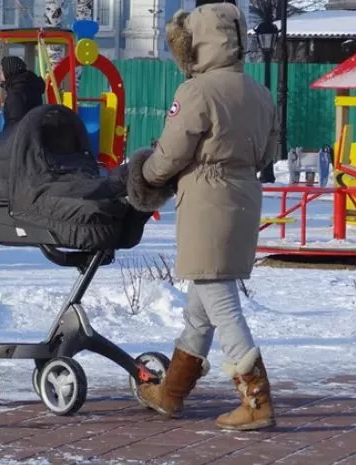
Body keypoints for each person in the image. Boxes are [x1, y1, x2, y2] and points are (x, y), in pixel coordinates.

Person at [126, 3, 278, 431]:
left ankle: (256, 398)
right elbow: (269, 150)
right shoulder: (259, 91)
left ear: (195, 44)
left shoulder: (196, 92)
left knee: (220, 299)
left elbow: (172, 153)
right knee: (202, 304)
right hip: (245, 196)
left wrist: (146, 175)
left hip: (206, 200)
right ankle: (171, 392)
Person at [0, 56, 45, 130]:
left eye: (1, 70)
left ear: (9, 70)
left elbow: (15, 121)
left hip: (20, 137)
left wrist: (6, 138)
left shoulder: (16, 93)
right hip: (34, 133)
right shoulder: (29, 85)